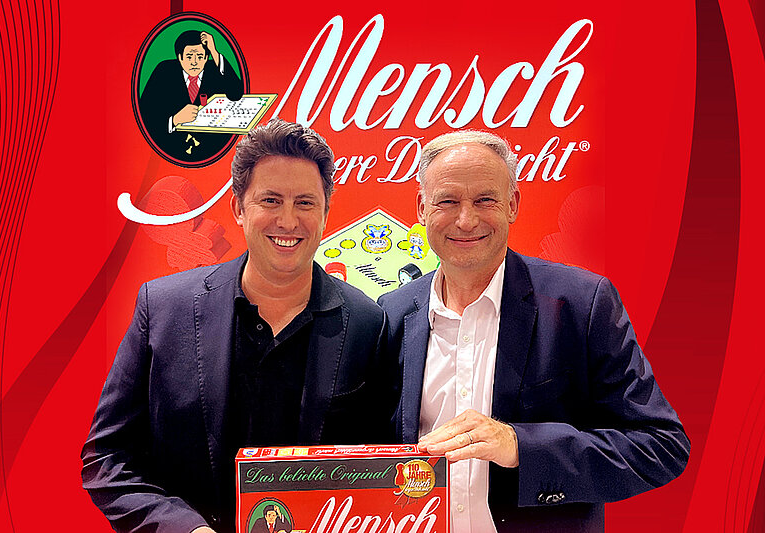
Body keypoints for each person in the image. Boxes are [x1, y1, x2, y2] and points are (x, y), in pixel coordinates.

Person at [82, 119, 395, 533]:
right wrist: (186, 529)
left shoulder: (369, 323)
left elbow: (382, 468)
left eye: (305, 202)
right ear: (238, 208)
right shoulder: (163, 307)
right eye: (270, 200)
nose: (288, 221)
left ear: (325, 212)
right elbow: (107, 459)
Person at [377, 130, 690, 532]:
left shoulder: (582, 303)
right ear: (423, 208)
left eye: (485, 200)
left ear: (512, 204)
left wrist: (521, 446)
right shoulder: (392, 312)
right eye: (447, 201)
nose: (466, 220)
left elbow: (661, 446)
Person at [139, 29, 244, 163]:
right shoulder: (164, 71)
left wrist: (214, 51)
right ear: (180, 57)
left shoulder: (215, 69)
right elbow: (144, 114)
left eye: (200, 57)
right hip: (171, 149)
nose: (194, 62)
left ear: (206, 57)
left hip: (212, 149)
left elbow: (236, 94)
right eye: (189, 57)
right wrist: (175, 120)